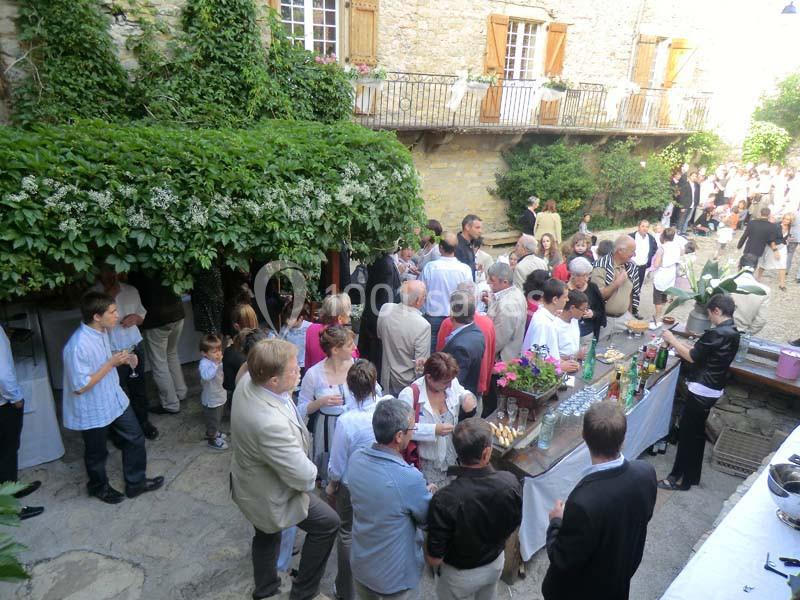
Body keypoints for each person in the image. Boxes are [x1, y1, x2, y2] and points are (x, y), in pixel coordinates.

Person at [231, 339, 339, 600]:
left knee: (266, 533)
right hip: (271, 492)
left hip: (251, 482)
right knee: (328, 523)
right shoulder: (269, 423)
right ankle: (303, 593)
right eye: (293, 369)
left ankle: (266, 589)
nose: (299, 370)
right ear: (273, 380)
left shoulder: (250, 380)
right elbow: (305, 478)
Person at [542, 402, 657, 600]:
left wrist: (556, 522)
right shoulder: (646, 472)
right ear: (623, 438)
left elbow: (562, 559)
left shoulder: (583, 502)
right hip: (618, 583)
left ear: (584, 436)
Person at [62, 291, 164, 503]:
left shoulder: (103, 332)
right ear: (97, 316)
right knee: (97, 452)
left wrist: (124, 359)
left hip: (113, 397)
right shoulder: (77, 345)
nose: (117, 315)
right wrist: (111, 364)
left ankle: (136, 483)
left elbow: (104, 361)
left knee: (135, 436)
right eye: (112, 311)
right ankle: (98, 487)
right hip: (92, 406)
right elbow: (80, 386)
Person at [425, 418, 522, 600]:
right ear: (486, 453)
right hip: (494, 565)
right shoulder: (509, 483)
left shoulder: (444, 499)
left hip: (458, 576)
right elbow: (513, 525)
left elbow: (434, 558)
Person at [347, 398, 433, 599]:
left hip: (362, 565)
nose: (413, 433)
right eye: (412, 429)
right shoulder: (408, 478)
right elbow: (426, 519)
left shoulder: (357, 457)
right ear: (399, 436)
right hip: (394, 578)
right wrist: (426, 492)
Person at [660, 294, 740, 491]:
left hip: (702, 389)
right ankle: (691, 477)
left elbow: (692, 357)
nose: (709, 318)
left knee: (688, 435)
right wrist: (684, 345)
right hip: (713, 388)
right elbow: (704, 352)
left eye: (710, 313)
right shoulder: (733, 331)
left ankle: (678, 479)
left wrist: (671, 339)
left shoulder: (718, 333)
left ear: (717, 311)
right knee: (696, 435)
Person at [326, 360, 385, 600]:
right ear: (374, 384)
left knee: (347, 533)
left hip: (352, 484)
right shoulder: (386, 405)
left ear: (349, 388)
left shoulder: (347, 420)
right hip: (381, 480)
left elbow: (337, 464)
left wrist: (332, 484)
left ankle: (346, 590)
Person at [91, 265, 158, 440]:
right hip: (110, 351)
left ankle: (143, 422)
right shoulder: (93, 295)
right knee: (114, 390)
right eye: (106, 270)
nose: (111, 274)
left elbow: (141, 315)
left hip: (134, 345)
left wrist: (136, 318)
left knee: (138, 387)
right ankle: (118, 430)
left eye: (113, 269)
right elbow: (92, 324)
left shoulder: (130, 290)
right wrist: (109, 296)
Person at [398, 353, 477, 488]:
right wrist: (433, 430)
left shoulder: (451, 382)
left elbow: (461, 392)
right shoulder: (410, 394)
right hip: (424, 467)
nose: (450, 385)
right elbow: (402, 430)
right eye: (445, 382)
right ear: (429, 378)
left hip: (452, 463)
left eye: (451, 380)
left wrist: (467, 397)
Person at [299, 326, 367, 481]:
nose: (355, 347)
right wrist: (320, 402)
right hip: (326, 432)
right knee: (330, 473)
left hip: (354, 429)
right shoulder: (314, 374)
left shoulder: (358, 367)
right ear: (335, 350)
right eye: (349, 345)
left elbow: (375, 395)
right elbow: (301, 409)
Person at [129, 271, 188, 416]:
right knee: (171, 353)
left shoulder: (137, 270)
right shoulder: (165, 262)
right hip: (177, 313)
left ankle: (170, 404)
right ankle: (180, 392)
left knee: (159, 363)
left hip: (157, 320)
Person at [0, 326, 44, 519]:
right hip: (3, 404)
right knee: (7, 453)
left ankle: (12, 488)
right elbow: (2, 374)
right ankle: (9, 507)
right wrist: (15, 397)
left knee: (6, 453)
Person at [437, 282, 496, 409]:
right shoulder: (486, 324)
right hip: (478, 383)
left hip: (457, 396)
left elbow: (440, 355)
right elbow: (491, 354)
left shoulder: (447, 324)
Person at [377, 280, 431, 396]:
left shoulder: (385, 308)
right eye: (424, 296)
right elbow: (420, 365)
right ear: (418, 301)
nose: (426, 298)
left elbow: (380, 335)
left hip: (386, 376)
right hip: (407, 383)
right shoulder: (423, 326)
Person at [422, 233, 473, 353]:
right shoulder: (464, 269)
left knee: (433, 355)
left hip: (436, 317)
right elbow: (469, 294)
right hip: (455, 317)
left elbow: (421, 290)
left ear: (440, 248)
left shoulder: (430, 267)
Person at [358, 252, 401, 371]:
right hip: (379, 313)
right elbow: (386, 293)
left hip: (373, 310)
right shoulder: (385, 263)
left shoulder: (379, 259)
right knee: (375, 352)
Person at [591, 236, 641, 339]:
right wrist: (617, 283)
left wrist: (630, 315)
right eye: (632, 251)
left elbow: (631, 293)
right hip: (605, 321)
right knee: (601, 348)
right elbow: (597, 296)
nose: (634, 254)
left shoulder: (631, 267)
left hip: (625, 318)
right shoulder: (600, 267)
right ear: (620, 251)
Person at [440, 290, 485, 401]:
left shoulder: (460, 348)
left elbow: (452, 382)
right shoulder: (477, 333)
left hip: (456, 401)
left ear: (452, 314)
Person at [485, 262, 527, 362]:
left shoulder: (508, 305)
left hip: (500, 360)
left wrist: (483, 354)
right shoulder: (515, 292)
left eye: (492, 280)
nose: (487, 282)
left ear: (505, 282)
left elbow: (498, 340)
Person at [305, 293, 356, 370]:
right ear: (340, 318)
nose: (349, 317)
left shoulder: (311, 329)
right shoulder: (343, 336)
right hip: (334, 375)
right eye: (348, 315)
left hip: (312, 374)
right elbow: (353, 360)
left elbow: (308, 360)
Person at [522, 278, 568, 359]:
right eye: (565, 297)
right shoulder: (542, 323)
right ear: (555, 300)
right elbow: (537, 356)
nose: (567, 300)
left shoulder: (546, 318)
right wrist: (560, 365)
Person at [223, 303, 260, 400]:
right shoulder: (267, 341)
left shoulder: (230, 352)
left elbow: (229, 385)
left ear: (236, 326)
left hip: (242, 398)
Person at [198, 334, 228, 451]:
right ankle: (212, 439)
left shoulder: (217, 361)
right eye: (214, 352)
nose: (218, 354)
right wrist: (216, 364)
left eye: (219, 350)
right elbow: (206, 376)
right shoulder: (204, 364)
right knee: (213, 419)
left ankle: (215, 431)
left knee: (217, 417)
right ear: (204, 353)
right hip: (211, 399)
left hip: (219, 394)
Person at [567, 258, 604, 342]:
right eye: (583, 275)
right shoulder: (564, 290)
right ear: (573, 275)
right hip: (568, 335)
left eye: (588, 275)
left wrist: (593, 313)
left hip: (587, 334)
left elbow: (600, 310)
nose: (586, 279)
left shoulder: (592, 287)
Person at [732, 254, 770, 335]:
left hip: (719, 330)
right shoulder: (764, 291)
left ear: (739, 265)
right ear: (755, 268)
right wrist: (748, 333)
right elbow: (761, 319)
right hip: (742, 332)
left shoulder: (725, 282)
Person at [651, 227, 681, 328]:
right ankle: (660, 315)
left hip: (662, 273)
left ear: (663, 236)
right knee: (664, 295)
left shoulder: (662, 248)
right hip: (671, 273)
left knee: (658, 297)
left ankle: (657, 317)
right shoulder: (677, 246)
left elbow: (656, 264)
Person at [554, 289, 588, 373]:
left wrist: (580, 352)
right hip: (561, 369)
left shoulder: (574, 320)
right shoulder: (555, 325)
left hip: (575, 364)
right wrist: (575, 356)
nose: (584, 312)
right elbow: (550, 355)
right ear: (572, 308)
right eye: (582, 309)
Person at [737, 207, 781, 271]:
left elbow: (744, 236)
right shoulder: (772, 226)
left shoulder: (752, 222)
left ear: (760, 213)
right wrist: (775, 250)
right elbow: (771, 240)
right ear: (769, 215)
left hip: (748, 248)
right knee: (752, 268)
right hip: (759, 250)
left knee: (743, 265)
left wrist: (739, 245)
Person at [758, 212, 791, 291]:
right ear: (782, 219)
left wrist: (787, 239)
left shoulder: (790, 227)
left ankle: (782, 285)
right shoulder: (776, 226)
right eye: (785, 219)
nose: (786, 221)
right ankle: (758, 278)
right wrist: (775, 250)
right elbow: (770, 239)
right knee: (764, 263)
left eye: (788, 220)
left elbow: (784, 237)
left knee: (783, 265)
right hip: (772, 246)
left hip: (782, 247)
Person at [628, 220, 657, 292]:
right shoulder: (631, 237)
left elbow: (654, 249)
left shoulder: (651, 238)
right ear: (638, 227)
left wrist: (649, 259)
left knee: (638, 288)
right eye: (643, 226)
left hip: (642, 267)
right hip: (630, 266)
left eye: (647, 227)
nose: (645, 228)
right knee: (628, 288)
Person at [456, 214, 483, 280]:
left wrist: (475, 267)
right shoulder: (457, 245)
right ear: (467, 227)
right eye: (477, 228)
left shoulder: (470, 243)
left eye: (480, 228)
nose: (480, 231)